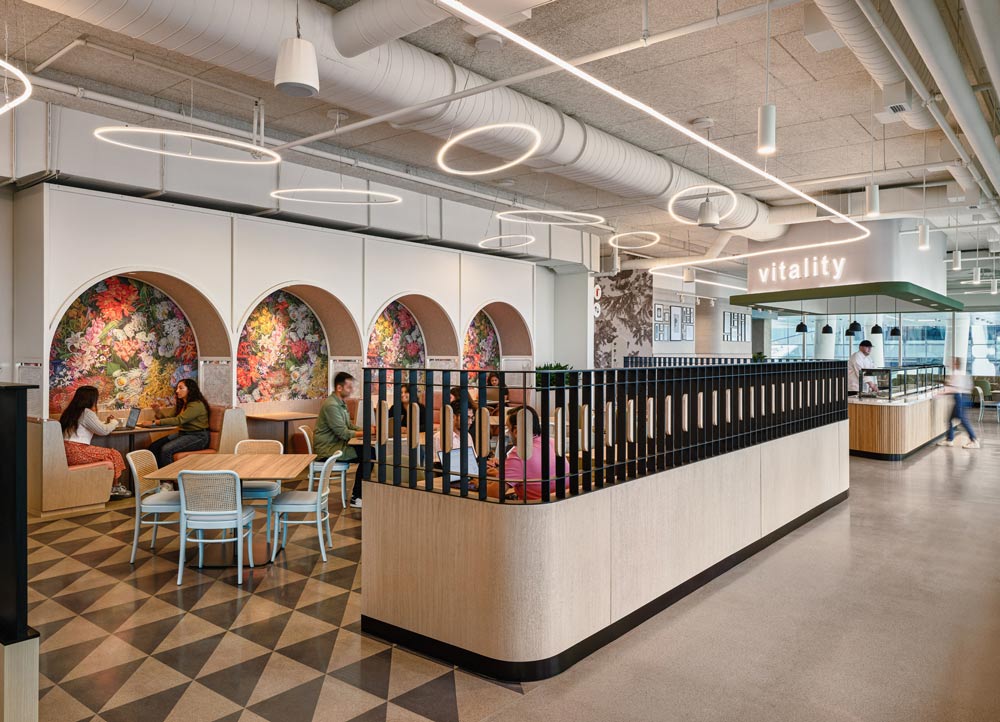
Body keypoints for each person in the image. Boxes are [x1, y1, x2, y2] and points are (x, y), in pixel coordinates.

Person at [485, 406, 567, 501]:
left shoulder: (521, 454)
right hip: (559, 505)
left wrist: (479, 484)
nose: (508, 433)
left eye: (508, 428)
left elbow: (494, 494)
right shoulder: (552, 442)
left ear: (515, 431)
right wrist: (501, 474)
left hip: (533, 509)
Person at [60, 386, 128, 495]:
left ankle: (111, 487)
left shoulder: (70, 411)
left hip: (66, 451)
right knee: (114, 454)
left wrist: (107, 423)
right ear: (91, 399)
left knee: (110, 456)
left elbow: (96, 426)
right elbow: (103, 431)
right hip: (77, 451)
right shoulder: (87, 412)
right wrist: (114, 422)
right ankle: (115, 488)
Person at [315, 371, 368, 509]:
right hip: (329, 450)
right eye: (349, 387)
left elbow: (349, 426)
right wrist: (366, 433)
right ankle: (357, 497)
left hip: (338, 446)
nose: (351, 390)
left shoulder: (340, 403)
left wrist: (368, 430)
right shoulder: (332, 405)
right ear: (339, 388)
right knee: (369, 454)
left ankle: (360, 494)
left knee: (370, 452)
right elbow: (343, 433)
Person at [147, 379, 210, 467]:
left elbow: (179, 420)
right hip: (184, 433)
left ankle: (169, 479)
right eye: (177, 388)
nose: (177, 391)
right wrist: (157, 411)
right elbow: (170, 419)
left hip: (198, 436)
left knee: (166, 450)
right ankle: (157, 476)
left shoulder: (196, 405)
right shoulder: (182, 404)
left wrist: (154, 422)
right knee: (154, 446)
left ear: (190, 389)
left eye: (181, 388)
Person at [938, 358, 980, 449]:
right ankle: (949, 440)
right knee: (950, 419)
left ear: (956, 364)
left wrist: (941, 393)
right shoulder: (963, 373)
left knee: (963, 421)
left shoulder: (956, 374)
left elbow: (955, 388)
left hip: (960, 398)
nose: (951, 364)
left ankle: (974, 440)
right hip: (963, 398)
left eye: (953, 362)